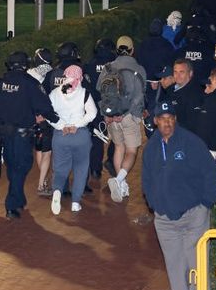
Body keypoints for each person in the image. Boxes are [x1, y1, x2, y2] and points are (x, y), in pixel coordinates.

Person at [141, 100, 216, 290]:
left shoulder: (190, 142)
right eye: (162, 118)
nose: (166, 122)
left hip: (193, 215)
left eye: (170, 118)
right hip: (165, 219)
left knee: (196, 265)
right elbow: (147, 179)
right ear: (155, 121)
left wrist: (206, 202)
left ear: (175, 119)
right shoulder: (152, 147)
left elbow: (211, 172)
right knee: (175, 266)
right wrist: (154, 203)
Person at [0, 51, 59, 220]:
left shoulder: (0, 83)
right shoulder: (30, 83)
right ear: (26, 65)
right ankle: (11, 205)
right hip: (22, 136)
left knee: (13, 168)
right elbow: (44, 106)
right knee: (21, 167)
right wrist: (55, 118)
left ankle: (18, 199)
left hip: (3, 135)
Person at [97, 36, 146, 204]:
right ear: (132, 50)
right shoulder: (138, 68)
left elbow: (100, 91)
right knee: (131, 151)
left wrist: (108, 114)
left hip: (111, 116)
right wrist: (127, 114)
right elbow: (139, 96)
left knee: (118, 147)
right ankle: (119, 180)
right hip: (129, 116)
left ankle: (122, 184)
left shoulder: (108, 67)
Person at [47, 65, 97, 215]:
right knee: (80, 169)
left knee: (60, 168)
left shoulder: (55, 93)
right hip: (80, 135)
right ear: (80, 77)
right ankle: (75, 202)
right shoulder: (84, 93)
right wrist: (77, 125)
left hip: (60, 136)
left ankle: (57, 191)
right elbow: (92, 113)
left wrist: (62, 125)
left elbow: (48, 114)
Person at [83, 39, 117, 179]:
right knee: (118, 136)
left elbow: (85, 84)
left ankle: (95, 168)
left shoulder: (89, 64)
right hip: (112, 105)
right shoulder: (115, 65)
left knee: (96, 137)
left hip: (93, 105)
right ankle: (110, 160)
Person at [29, 47, 56, 196]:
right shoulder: (53, 73)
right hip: (47, 116)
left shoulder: (29, 74)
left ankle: (43, 179)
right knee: (47, 151)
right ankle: (44, 180)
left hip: (34, 116)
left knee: (39, 148)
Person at [167, 58, 205, 135]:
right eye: (175, 72)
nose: (177, 75)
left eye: (182, 72)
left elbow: (193, 123)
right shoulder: (170, 89)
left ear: (190, 73)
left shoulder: (195, 94)